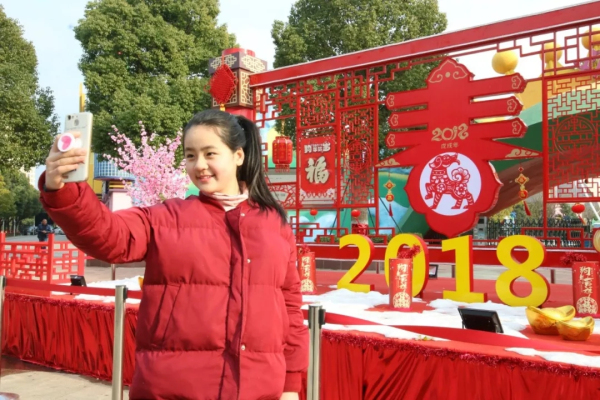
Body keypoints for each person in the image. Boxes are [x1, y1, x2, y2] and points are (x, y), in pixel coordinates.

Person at [39, 110, 308, 400]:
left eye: (210, 153)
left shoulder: (274, 225)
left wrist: (291, 384)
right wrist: (62, 189)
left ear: (238, 156)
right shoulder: (166, 217)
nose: (200, 166)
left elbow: (289, 308)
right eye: (191, 156)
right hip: (173, 388)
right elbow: (107, 235)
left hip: (259, 389)